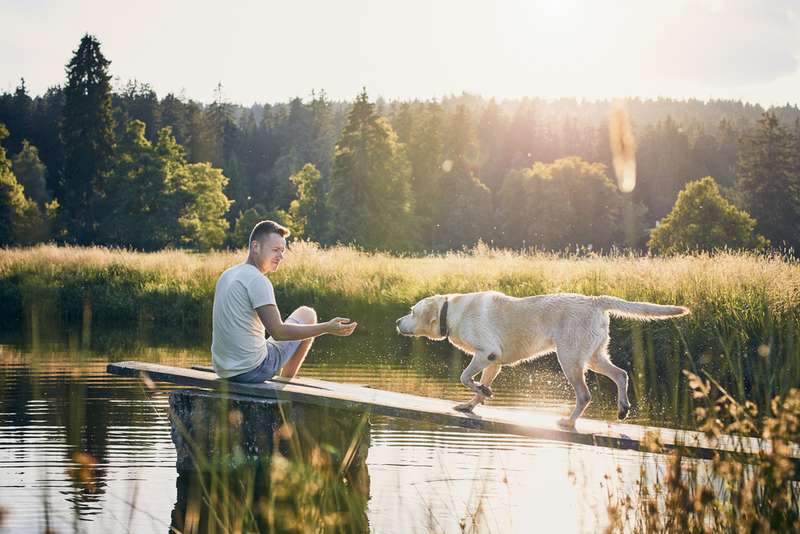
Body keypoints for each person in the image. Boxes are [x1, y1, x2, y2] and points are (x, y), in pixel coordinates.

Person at [211, 220, 357, 382]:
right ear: (255, 247)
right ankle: (285, 383)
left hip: (223, 370)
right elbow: (278, 333)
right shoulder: (257, 280)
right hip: (254, 370)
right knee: (307, 314)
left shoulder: (228, 274)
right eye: (275, 250)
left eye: (282, 251)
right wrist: (326, 327)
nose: (280, 256)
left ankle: (283, 380)